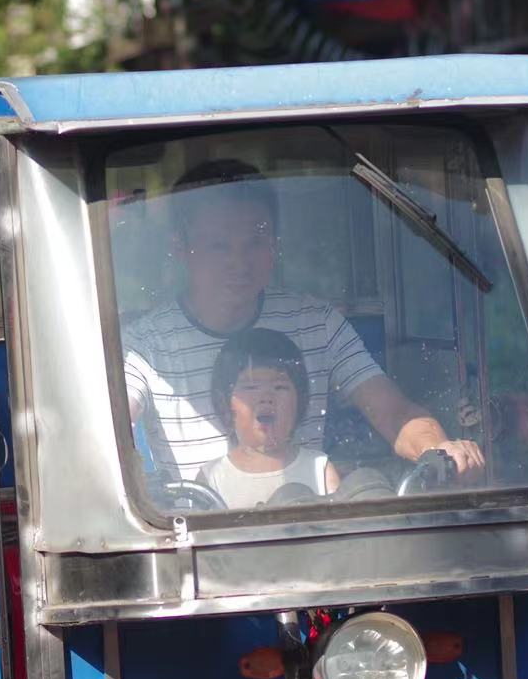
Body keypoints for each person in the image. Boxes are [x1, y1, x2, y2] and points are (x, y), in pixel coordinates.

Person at [121, 158, 483, 483]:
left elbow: (394, 412)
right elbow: (112, 426)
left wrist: (439, 450)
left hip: (307, 527)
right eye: (219, 245)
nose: (239, 262)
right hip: (193, 534)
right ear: (180, 247)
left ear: (275, 244)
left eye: (255, 243)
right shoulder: (144, 346)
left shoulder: (317, 323)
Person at [196, 328, 339, 508]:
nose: (266, 397)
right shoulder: (212, 479)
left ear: (300, 401)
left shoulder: (320, 470)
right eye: (251, 387)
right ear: (223, 404)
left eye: (279, 387)